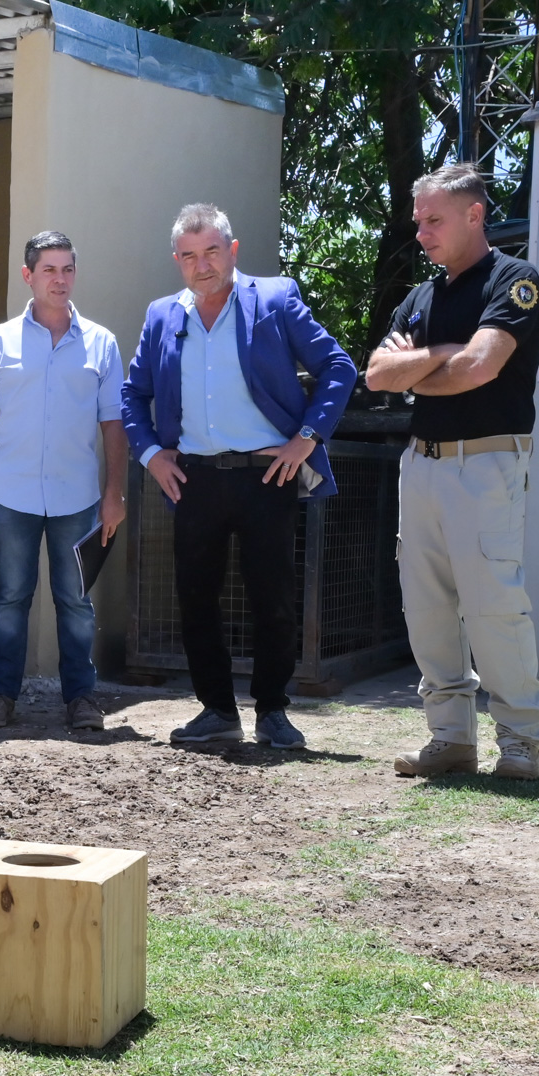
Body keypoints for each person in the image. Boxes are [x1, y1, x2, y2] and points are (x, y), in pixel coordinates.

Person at [123, 204, 358, 750]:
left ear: (232, 250)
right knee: (195, 597)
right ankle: (216, 711)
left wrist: (308, 438)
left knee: (272, 596)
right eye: (188, 256)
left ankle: (273, 711)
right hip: (193, 478)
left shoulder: (275, 299)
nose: (201, 265)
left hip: (267, 476)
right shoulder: (162, 315)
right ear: (176, 261)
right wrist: (152, 455)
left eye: (210, 252)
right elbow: (133, 395)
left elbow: (338, 367)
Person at [365, 164, 539, 780]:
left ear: (475, 215)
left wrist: (422, 365)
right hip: (420, 466)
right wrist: (443, 353)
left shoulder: (515, 281)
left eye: (433, 220)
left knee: (495, 606)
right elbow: (376, 376)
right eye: (418, 221)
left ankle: (520, 741)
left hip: (487, 461)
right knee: (426, 608)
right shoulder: (421, 297)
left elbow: (479, 368)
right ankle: (450, 739)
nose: (421, 233)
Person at [0, 230, 128, 732]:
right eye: (50, 270)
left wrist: (114, 492)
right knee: (11, 597)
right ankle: (2, 696)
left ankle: (81, 699)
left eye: (68, 269)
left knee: (76, 601)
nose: (60, 279)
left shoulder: (102, 343)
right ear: (28, 276)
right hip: (10, 495)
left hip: (78, 497)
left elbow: (114, 424)